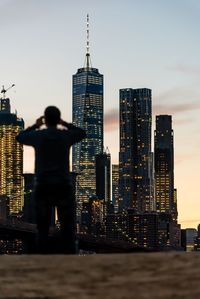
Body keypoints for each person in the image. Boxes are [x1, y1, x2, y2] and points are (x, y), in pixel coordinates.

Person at [16, 106, 86, 254]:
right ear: (58, 119)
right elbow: (81, 133)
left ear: (45, 120)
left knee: (42, 228)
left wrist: (36, 125)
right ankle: (70, 262)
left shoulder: (39, 136)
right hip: (63, 186)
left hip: (43, 186)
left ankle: (42, 260)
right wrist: (65, 124)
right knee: (67, 227)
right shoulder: (65, 135)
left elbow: (20, 137)